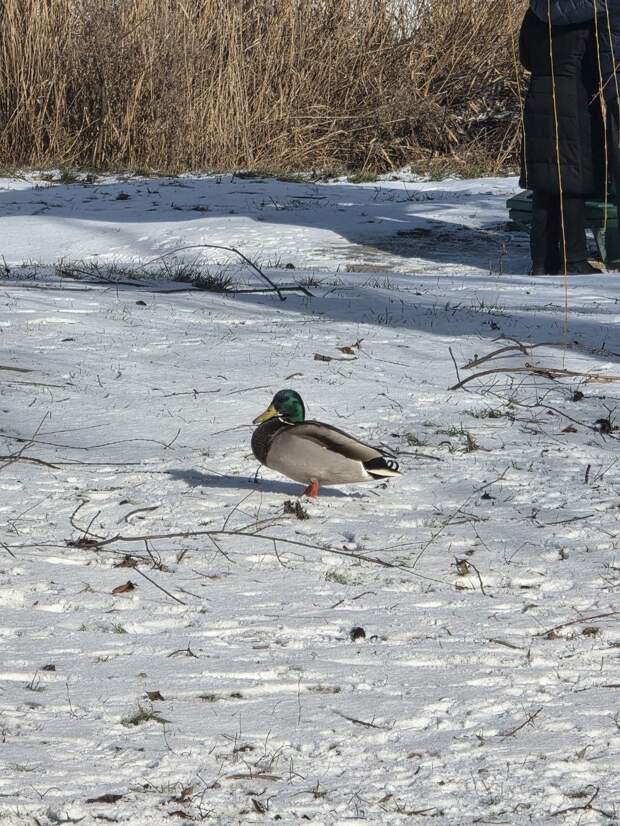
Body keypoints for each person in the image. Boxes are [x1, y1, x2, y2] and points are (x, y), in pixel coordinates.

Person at [520, 1, 603, 275]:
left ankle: (542, 261)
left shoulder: (535, 11)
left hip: (538, 95)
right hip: (573, 97)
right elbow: (597, 62)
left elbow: (526, 58)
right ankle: (574, 260)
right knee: (571, 181)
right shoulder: (585, 15)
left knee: (544, 183)